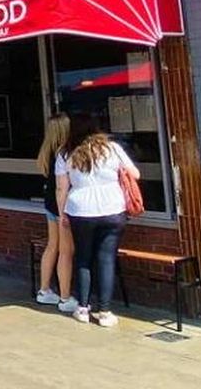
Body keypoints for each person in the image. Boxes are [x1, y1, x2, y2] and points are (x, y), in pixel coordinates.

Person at [57, 115, 139, 327]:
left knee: (83, 258)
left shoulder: (66, 153)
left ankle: (82, 308)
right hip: (113, 208)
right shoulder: (112, 149)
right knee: (106, 259)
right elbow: (135, 174)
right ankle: (105, 312)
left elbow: (61, 188)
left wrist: (62, 214)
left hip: (80, 209)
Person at [35, 113, 77, 313]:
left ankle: (44, 290)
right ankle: (65, 296)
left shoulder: (46, 151)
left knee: (52, 246)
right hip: (62, 206)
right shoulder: (63, 154)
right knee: (66, 250)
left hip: (49, 204)